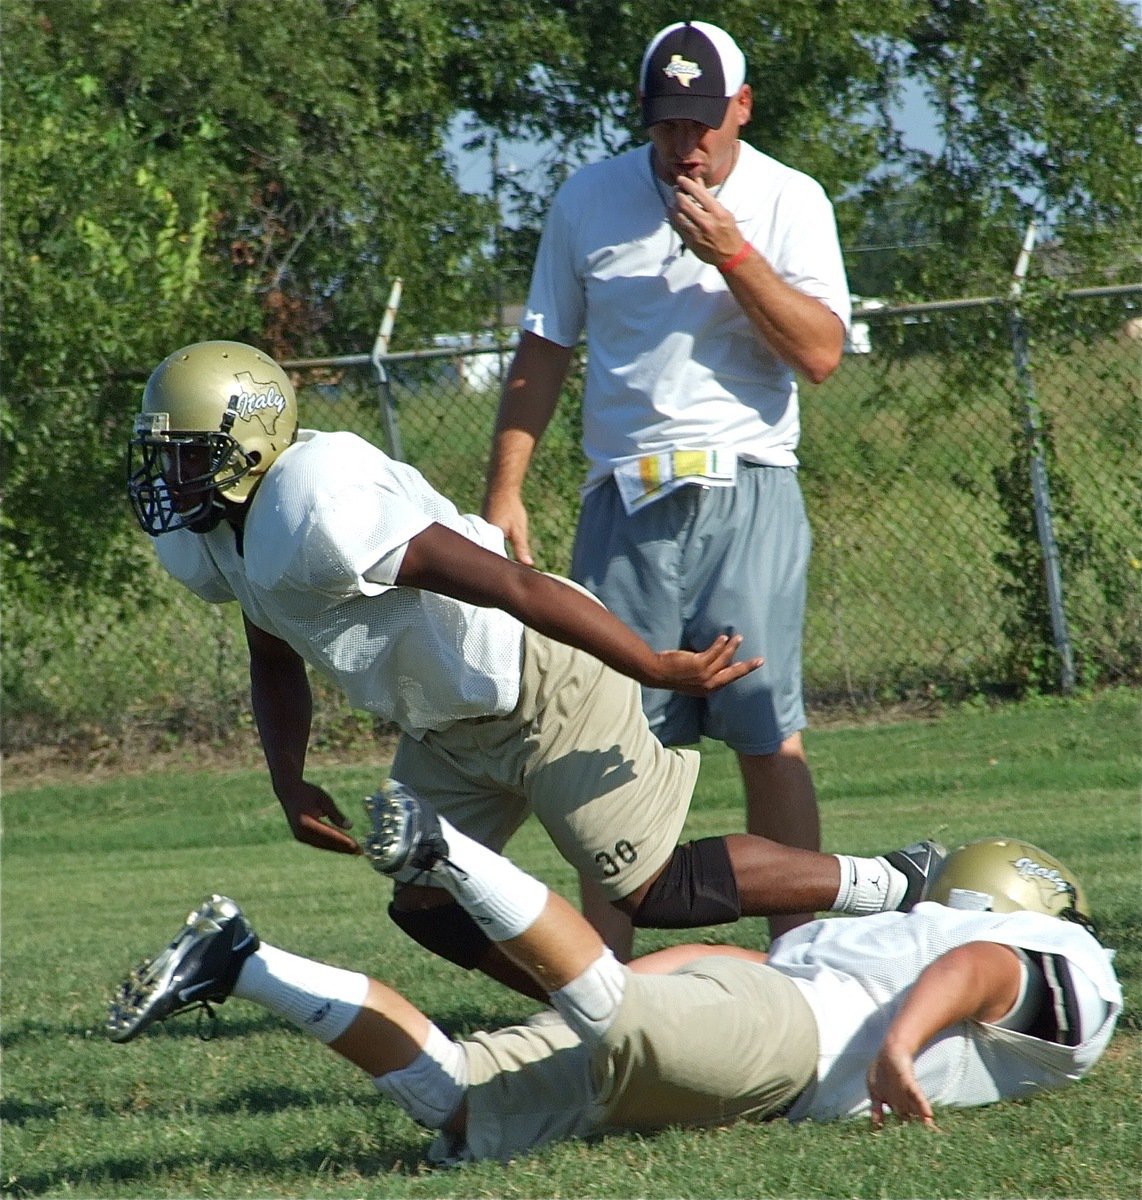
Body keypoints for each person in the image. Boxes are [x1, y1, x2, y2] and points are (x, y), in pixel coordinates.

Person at [126, 340, 941, 998]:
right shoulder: (222, 534)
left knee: (653, 889)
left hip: (538, 683)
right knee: (426, 903)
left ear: (252, 445)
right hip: (448, 726)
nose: (168, 476)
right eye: (165, 456)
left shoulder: (315, 508)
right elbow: (271, 652)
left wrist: (651, 665)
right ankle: (598, 1013)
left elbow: (516, 586)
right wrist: (288, 781)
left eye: (187, 456)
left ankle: (900, 881)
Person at [107, 788, 1122, 1168]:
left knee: (456, 1100)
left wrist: (615, 987)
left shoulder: (893, 936)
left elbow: (735, 962)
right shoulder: (1067, 959)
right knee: (623, 1012)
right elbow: (984, 968)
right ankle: (447, 849)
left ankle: (241, 961)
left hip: (761, 1011)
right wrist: (899, 1050)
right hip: (796, 1040)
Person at [483, 19, 852, 947]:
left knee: (766, 735)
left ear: (743, 107)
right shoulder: (589, 197)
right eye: (666, 123)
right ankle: (602, 986)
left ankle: (802, 963)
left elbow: (820, 353)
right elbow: (544, 349)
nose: (685, 144)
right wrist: (504, 491)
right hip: (622, 501)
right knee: (609, 744)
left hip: (748, 488)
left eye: (702, 122)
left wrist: (733, 254)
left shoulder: (791, 198)